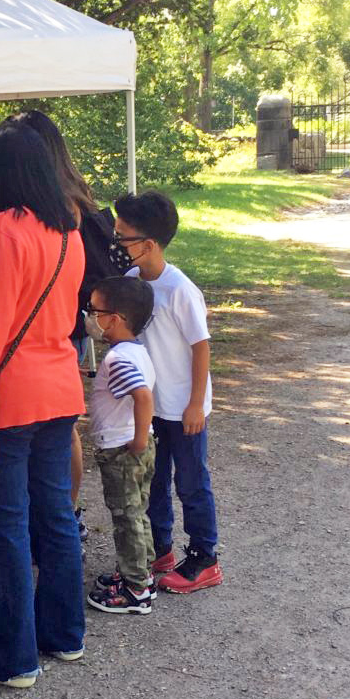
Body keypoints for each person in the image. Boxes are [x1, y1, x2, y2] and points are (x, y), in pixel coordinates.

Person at [0, 120, 86, 687]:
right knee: (54, 515)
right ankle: (64, 633)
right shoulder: (69, 228)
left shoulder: (3, 229)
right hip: (59, 384)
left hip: (8, 392)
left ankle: (12, 656)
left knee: (6, 526)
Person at [3, 110, 116, 541]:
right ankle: (64, 515)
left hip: (48, 334)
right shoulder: (75, 201)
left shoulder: (63, 210)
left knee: (56, 432)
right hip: (62, 336)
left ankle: (63, 515)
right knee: (60, 429)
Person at [112, 190, 223, 593]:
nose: (115, 242)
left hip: (183, 408)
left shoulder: (179, 289)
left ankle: (204, 557)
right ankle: (159, 548)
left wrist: (196, 404)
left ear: (148, 245)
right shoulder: (129, 284)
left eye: (122, 237)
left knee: (191, 481)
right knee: (153, 479)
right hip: (151, 406)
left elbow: (200, 347)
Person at [83, 276, 157, 614]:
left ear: (114, 319)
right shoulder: (136, 351)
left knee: (126, 517)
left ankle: (135, 590)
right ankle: (141, 571)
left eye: (94, 310)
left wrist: (139, 438)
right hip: (133, 445)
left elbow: (141, 396)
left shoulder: (118, 360)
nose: (90, 317)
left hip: (122, 449)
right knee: (137, 513)